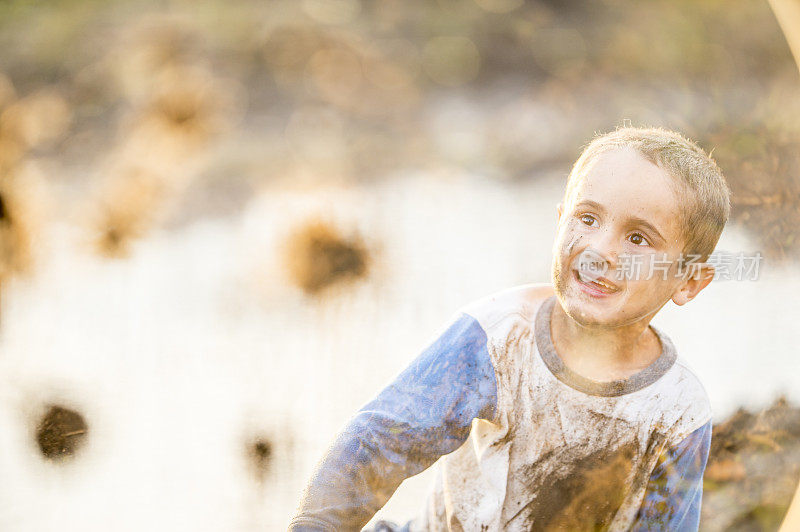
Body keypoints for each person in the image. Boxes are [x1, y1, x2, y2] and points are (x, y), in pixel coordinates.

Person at [289, 127, 730, 531]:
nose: (600, 250)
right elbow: (378, 444)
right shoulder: (500, 335)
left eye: (638, 238)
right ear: (560, 221)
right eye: (588, 218)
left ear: (689, 279)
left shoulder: (678, 410)